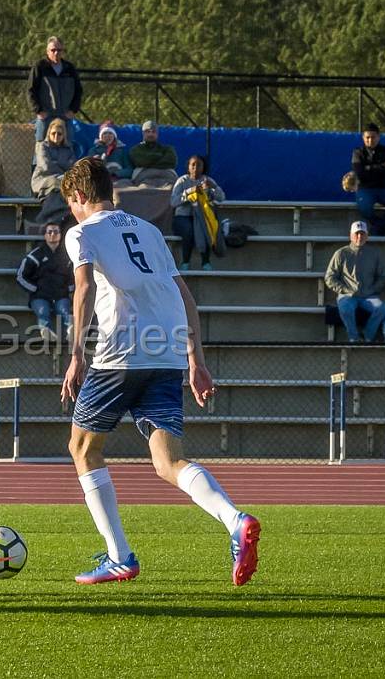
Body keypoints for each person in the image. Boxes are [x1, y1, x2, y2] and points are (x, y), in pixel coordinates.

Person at [59, 157, 259, 586]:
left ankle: (120, 557)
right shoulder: (148, 231)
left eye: (71, 205)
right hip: (166, 352)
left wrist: (76, 353)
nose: (72, 213)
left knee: (82, 448)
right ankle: (234, 520)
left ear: (78, 197)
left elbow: (85, 287)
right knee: (168, 461)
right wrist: (196, 360)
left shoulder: (82, 233)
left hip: (120, 354)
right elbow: (183, 293)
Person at [324, 221, 385, 342]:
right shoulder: (341, 253)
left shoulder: (374, 253)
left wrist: (374, 289)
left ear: (367, 236)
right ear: (351, 235)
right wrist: (344, 290)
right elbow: (330, 277)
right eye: (357, 234)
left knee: (382, 309)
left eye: (362, 234)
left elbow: (383, 276)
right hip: (348, 295)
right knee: (345, 308)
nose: (359, 237)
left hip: (368, 296)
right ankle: (353, 337)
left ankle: (367, 336)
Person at [16, 221, 73, 341]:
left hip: (60, 294)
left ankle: (72, 331)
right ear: (45, 235)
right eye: (50, 232)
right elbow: (21, 276)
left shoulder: (68, 255)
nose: (53, 234)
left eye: (56, 232)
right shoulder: (36, 255)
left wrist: (68, 289)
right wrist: (35, 289)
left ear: (60, 234)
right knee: (43, 311)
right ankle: (46, 331)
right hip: (40, 295)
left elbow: (75, 276)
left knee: (64, 310)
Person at [170, 155, 225, 271]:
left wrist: (213, 187)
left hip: (202, 216)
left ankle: (205, 262)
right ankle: (185, 262)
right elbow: (173, 202)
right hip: (183, 217)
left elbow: (221, 198)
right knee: (188, 231)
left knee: (204, 228)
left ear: (203, 167)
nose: (196, 168)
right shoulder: (182, 180)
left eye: (199, 165)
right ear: (188, 167)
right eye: (193, 165)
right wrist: (190, 193)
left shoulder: (207, 181)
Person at [27, 36, 82, 144]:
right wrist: (38, 110)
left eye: (59, 50)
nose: (56, 53)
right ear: (47, 51)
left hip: (65, 115)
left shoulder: (69, 68)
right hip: (46, 114)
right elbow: (31, 90)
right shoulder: (40, 67)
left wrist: (73, 110)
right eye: (53, 50)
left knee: (67, 145)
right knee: (42, 145)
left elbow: (78, 91)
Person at [351, 123, 385, 236]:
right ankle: (380, 227)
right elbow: (359, 172)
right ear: (363, 138)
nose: (370, 140)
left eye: (373, 137)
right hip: (365, 189)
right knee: (364, 208)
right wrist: (381, 166)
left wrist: (369, 167)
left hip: (384, 188)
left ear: (378, 137)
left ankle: (377, 227)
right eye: (367, 137)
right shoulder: (358, 152)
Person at [31, 118, 76, 226]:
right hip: (43, 180)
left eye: (59, 134)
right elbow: (46, 166)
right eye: (53, 133)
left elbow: (73, 168)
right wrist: (63, 166)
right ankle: (50, 219)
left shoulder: (68, 149)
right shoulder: (42, 146)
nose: (56, 136)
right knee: (58, 184)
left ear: (63, 135)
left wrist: (56, 163)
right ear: (49, 133)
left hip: (61, 182)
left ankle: (51, 220)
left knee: (59, 189)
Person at [128, 120, 178, 185]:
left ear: (157, 134)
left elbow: (172, 162)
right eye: (147, 131)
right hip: (144, 175)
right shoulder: (135, 149)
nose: (150, 134)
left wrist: (149, 160)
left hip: (166, 174)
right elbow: (141, 161)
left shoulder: (167, 149)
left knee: (171, 186)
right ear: (143, 133)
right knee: (145, 186)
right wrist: (160, 156)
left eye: (153, 132)